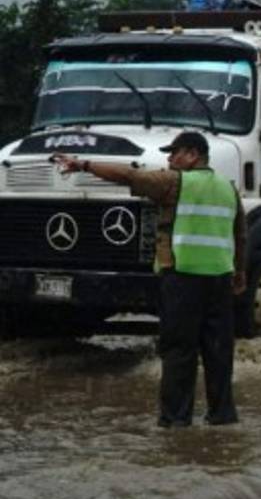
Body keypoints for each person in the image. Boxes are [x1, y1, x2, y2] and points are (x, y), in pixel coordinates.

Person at [53, 131, 247, 427]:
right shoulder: (228, 188)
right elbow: (240, 234)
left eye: (175, 153)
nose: (169, 159)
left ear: (193, 155)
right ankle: (223, 418)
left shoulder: (174, 182)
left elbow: (128, 176)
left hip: (183, 278)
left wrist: (84, 165)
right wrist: (240, 272)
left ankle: (175, 423)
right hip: (220, 280)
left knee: (179, 352)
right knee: (219, 352)